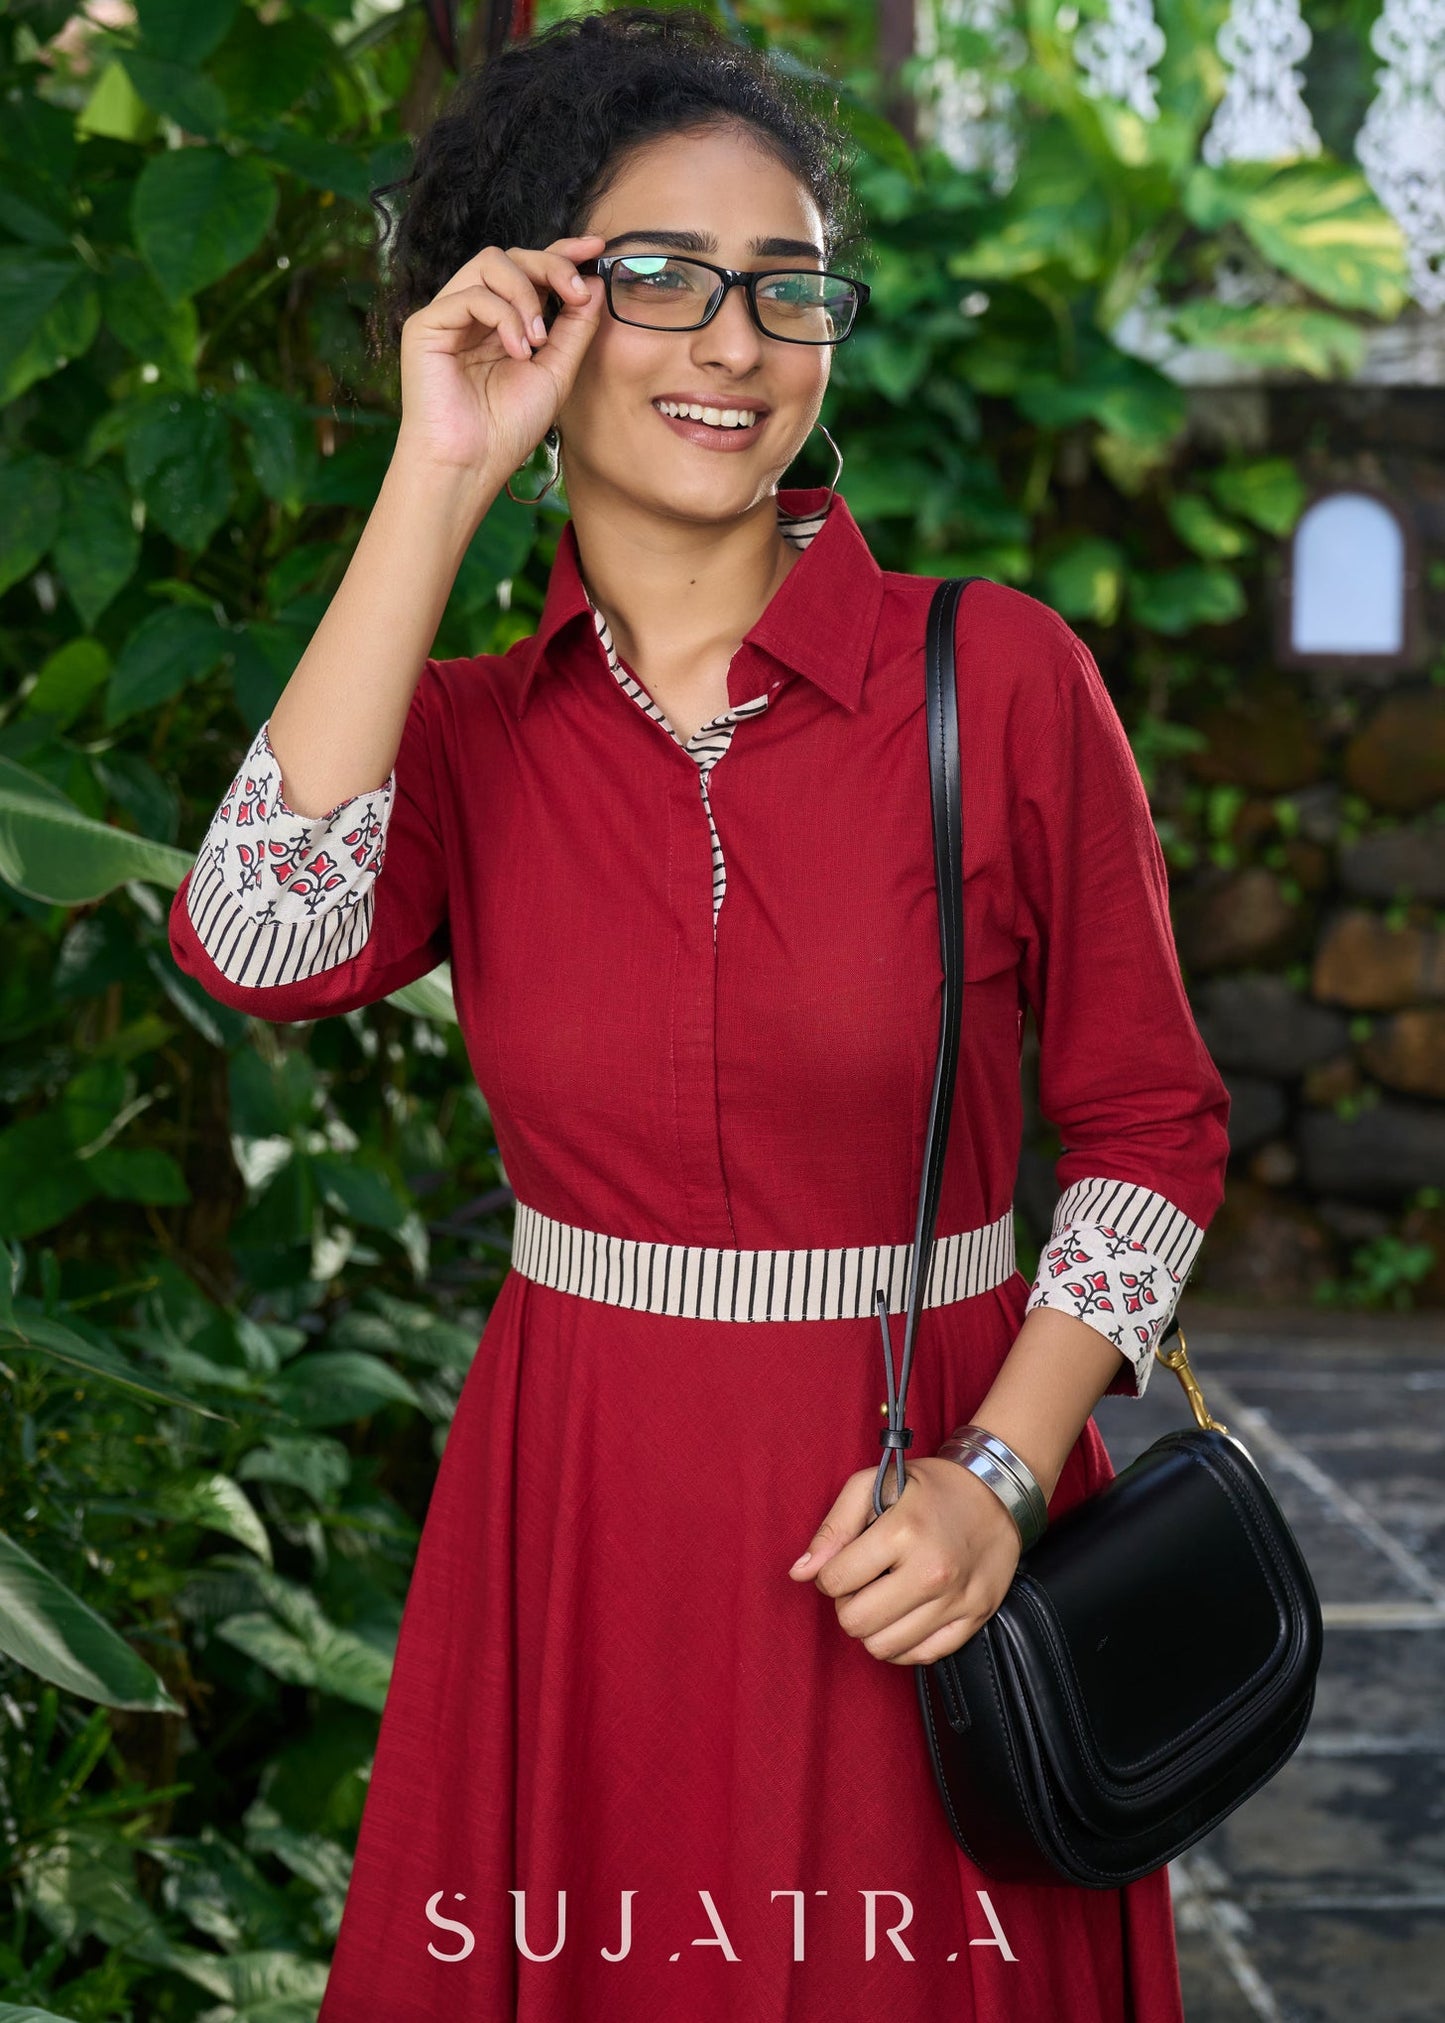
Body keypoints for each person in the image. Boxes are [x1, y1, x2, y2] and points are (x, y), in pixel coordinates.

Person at [167, 8, 1230, 2018]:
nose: (734, 341)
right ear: (535, 306)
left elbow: (1152, 1129)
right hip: (579, 1528)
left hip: (923, 1520)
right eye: (656, 277)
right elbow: (251, 941)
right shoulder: (471, 739)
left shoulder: (993, 682)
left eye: (786, 285)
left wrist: (999, 1475)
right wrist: (441, 469)